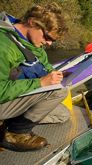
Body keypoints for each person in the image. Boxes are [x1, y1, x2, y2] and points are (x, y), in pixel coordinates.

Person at [0, 2, 69, 151]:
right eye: (47, 37)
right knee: (59, 92)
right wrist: (40, 83)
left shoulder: (34, 43)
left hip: (15, 97)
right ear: (32, 22)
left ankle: (7, 124)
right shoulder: (3, 46)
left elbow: (45, 65)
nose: (49, 43)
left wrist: (54, 75)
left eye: (53, 41)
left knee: (62, 115)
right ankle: (15, 133)